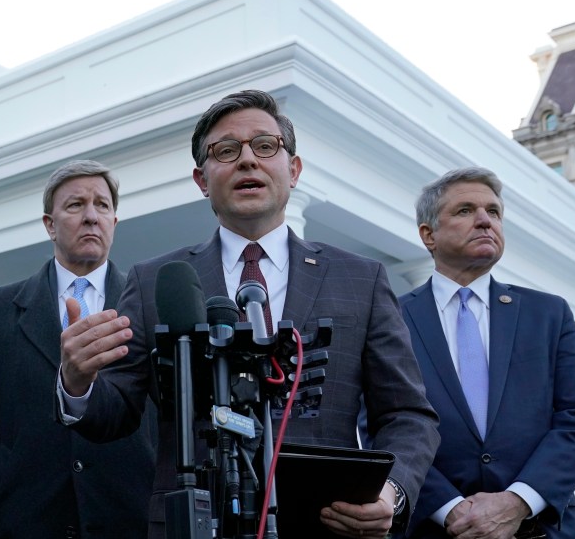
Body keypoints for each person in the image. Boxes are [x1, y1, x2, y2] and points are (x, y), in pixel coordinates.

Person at [58, 90, 440, 539]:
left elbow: (408, 415)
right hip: (194, 523)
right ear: (202, 180)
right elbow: (116, 413)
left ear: (293, 170)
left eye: (265, 146)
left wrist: (390, 493)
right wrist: (77, 383)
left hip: (327, 524)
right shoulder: (155, 280)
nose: (247, 161)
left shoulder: (361, 279)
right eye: (226, 150)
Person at [0, 160, 157, 538]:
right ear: (49, 224)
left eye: (102, 205)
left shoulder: (150, 309)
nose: (91, 216)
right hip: (26, 520)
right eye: (76, 205)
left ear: (115, 222)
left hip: (130, 520)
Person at [400, 167, 575, 539]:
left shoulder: (549, 314)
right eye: (465, 211)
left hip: (537, 528)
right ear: (428, 235)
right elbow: (382, 423)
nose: (484, 221)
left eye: (493, 212)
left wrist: (517, 502)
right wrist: (450, 510)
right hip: (434, 528)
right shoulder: (390, 317)